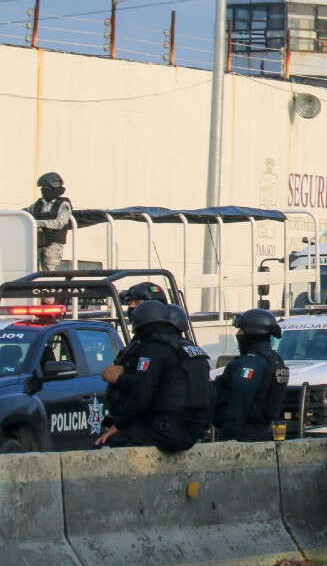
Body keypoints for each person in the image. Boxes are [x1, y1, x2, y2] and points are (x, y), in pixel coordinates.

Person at [96, 300, 212, 452]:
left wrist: (119, 424)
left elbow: (141, 392)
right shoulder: (193, 349)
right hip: (193, 430)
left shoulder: (153, 349)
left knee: (106, 440)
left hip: (166, 430)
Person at [211, 309, 289, 442]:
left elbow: (239, 401)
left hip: (243, 436)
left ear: (252, 333)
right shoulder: (275, 360)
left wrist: (228, 435)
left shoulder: (251, 363)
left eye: (241, 330)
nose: (238, 334)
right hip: (264, 432)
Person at [25, 172, 72, 271]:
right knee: (33, 271)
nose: (43, 190)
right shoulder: (38, 204)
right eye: (42, 188)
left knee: (49, 272)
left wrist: (37, 223)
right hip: (37, 243)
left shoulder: (63, 204)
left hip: (53, 245)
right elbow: (25, 215)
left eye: (46, 188)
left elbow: (60, 223)